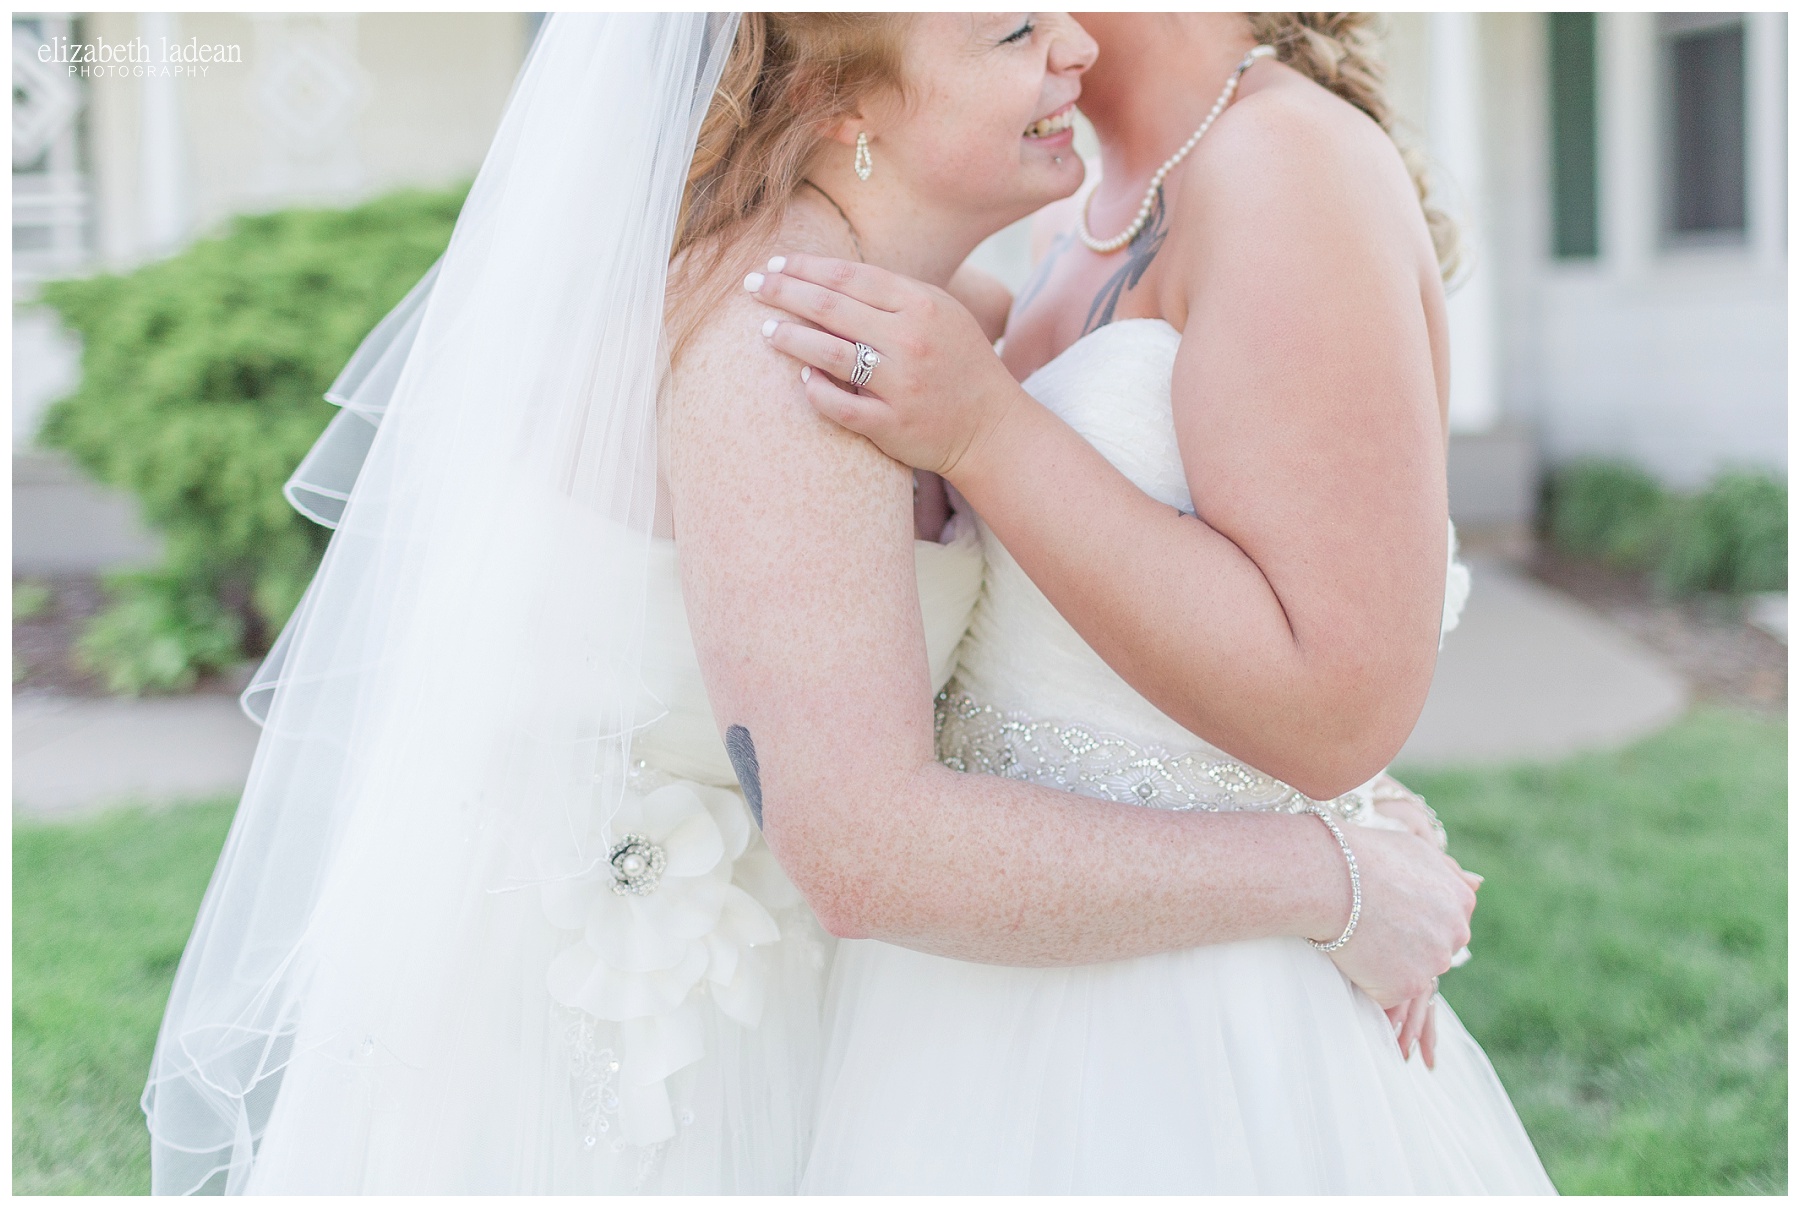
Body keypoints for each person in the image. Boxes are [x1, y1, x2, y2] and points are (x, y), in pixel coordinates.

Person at [143, 13, 1502, 1196]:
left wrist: (1310, 805)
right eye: (1010, 32)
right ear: (841, 109)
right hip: (657, 1052)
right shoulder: (782, 330)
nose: (1066, 53)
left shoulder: (931, 291)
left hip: (993, 1010)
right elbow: (861, 835)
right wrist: (1323, 877)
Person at [746, 12, 1553, 1193]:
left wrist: (983, 427)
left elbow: (1335, 701)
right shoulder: (1084, 194)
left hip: (1191, 1036)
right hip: (980, 990)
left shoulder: (1286, 164)